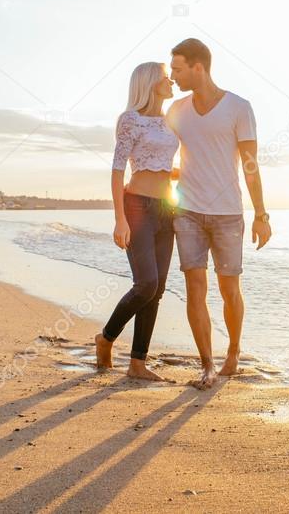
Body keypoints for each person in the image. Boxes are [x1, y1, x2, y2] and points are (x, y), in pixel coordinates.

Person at [166, 38, 272, 390]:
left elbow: (250, 165)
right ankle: (207, 366)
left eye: (178, 69)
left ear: (199, 67)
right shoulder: (176, 110)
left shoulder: (239, 108)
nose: (173, 76)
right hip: (187, 212)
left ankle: (234, 351)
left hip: (228, 214)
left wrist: (261, 214)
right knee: (195, 288)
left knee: (230, 289)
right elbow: (161, 154)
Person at [95, 62, 178, 381]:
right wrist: (120, 219)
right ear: (151, 83)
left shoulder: (171, 121)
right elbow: (118, 170)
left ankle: (137, 363)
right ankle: (106, 338)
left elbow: (164, 165)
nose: (171, 81)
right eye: (165, 77)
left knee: (157, 291)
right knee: (146, 284)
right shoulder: (130, 120)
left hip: (166, 208)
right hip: (137, 207)